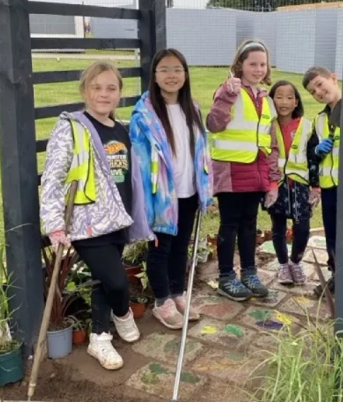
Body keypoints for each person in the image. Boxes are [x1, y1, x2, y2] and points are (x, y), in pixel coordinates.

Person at [40, 60, 155, 370]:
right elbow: (52, 178)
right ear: (85, 91)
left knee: (106, 279)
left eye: (111, 88)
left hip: (118, 219)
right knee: (117, 282)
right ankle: (122, 314)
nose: (104, 94)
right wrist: (53, 224)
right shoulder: (72, 126)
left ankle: (99, 339)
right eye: (97, 87)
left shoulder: (122, 130)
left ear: (119, 94)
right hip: (88, 223)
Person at [130, 48, 213, 329]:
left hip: (188, 191)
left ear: (186, 74)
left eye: (177, 69)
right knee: (160, 249)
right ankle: (162, 301)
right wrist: (147, 201)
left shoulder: (193, 108)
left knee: (181, 247)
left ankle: (178, 293)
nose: (171, 75)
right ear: (154, 75)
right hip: (162, 196)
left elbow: (202, 152)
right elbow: (140, 163)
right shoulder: (144, 114)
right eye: (164, 69)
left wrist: (205, 188)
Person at [206, 39, 280, 302]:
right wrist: (227, 95)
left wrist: (273, 181)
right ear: (240, 65)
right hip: (231, 171)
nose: (258, 69)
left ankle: (249, 273)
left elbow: (270, 143)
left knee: (250, 225)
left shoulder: (265, 99)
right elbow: (214, 124)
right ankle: (226, 276)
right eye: (252, 64)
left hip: (256, 173)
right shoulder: (228, 91)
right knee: (230, 224)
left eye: (263, 64)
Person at [265, 80, 321, 285]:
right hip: (276, 185)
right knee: (278, 227)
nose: (284, 102)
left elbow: (314, 157)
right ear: (271, 100)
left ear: (296, 101)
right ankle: (283, 266)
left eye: (289, 97)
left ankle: (296, 262)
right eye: (278, 96)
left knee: (303, 226)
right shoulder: (267, 125)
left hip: (300, 185)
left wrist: (315, 186)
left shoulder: (306, 126)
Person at [302, 66, 343, 297]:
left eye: (320, 84)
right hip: (329, 187)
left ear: (333, 78)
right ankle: (336, 274)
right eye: (312, 91)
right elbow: (312, 153)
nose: (318, 91)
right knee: (333, 233)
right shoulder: (319, 119)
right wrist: (317, 150)